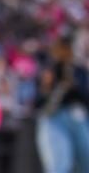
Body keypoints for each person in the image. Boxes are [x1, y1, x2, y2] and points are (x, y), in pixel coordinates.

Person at [36, 31, 89, 173]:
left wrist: (75, 88)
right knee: (59, 165)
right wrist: (54, 87)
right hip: (55, 118)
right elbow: (40, 101)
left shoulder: (79, 70)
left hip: (79, 117)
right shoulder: (51, 69)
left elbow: (85, 97)